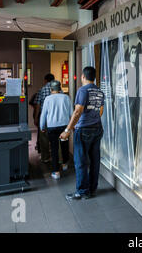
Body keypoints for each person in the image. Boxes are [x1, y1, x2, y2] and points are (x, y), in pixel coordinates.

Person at [60, 66, 104, 200]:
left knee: (80, 161)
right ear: (94, 77)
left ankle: (82, 191)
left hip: (84, 129)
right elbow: (100, 111)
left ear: (83, 77)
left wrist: (67, 130)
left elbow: (77, 111)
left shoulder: (82, 90)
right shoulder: (100, 91)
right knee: (95, 160)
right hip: (97, 128)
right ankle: (92, 189)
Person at [40, 80, 73, 180]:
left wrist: (42, 127)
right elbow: (71, 113)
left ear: (51, 89)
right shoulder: (66, 97)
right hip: (64, 127)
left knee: (54, 149)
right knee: (64, 145)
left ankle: (56, 172)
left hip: (52, 127)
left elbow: (44, 114)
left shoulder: (48, 99)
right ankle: (64, 164)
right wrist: (71, 127)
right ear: (60, 88)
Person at [34, 73, 55, 163]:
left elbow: (38, 105)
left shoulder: (42, 90)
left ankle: (45, 157)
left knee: (44, 138)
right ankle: (57, 157)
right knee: (55, 138)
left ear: (45, 80)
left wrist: (36, 117)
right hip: (56, 116)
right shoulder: (59, 90)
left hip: (45, 116)